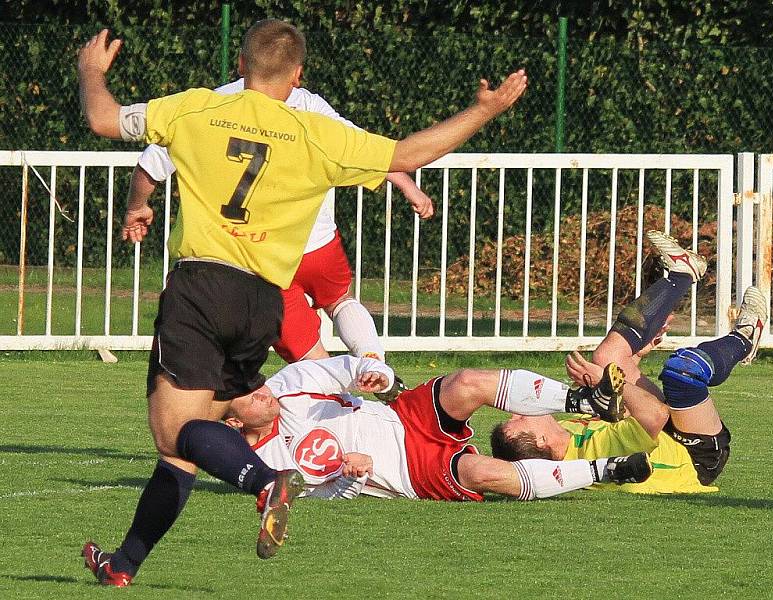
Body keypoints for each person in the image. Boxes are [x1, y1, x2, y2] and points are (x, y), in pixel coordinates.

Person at [77, 20, 527, 586]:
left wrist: (91, 71)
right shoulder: (315, 133)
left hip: (201, 287)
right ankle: (122, 565)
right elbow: (411, 151)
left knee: (176, 434)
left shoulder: (193, 109)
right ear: (297, 76)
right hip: (262, 302)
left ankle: (266, 481)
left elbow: (102, 116)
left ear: (240, 65)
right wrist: (484, 110)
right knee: (191, 445)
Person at [128, 79, 436, 364]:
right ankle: (373, 362)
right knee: (340, 300)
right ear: (296, 73)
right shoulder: (310, 106)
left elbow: (151, 164)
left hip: (259, 256)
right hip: (317, 244)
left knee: (306, 355)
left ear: (243, 64)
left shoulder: (212, 105)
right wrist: (407, 185)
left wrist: (136, 207)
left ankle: (332, 390)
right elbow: (361, 148)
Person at [490, 230, 768, 494]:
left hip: (656, 430)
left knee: (606, 357)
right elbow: (655, 414)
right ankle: (745, 337)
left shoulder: (567, 432)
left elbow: (622, 413)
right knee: (683, 372)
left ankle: (683, 272)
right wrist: (608, 379)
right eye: (517, 420)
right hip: (693, 456)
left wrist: (630, 360)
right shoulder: (594, 452)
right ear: (541, 441)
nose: (516, 411)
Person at [223, 354, 652, 503]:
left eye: (258, 386)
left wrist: (380, 377)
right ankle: (607, 469)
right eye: (252, 396)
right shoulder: (262, 466)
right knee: (482, 474)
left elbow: (347, 369)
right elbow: (323, 494)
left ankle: (584, 400)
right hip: (409, 470)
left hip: (400, 416)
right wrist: (355, 476)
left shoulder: (289, 386)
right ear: (235, 421)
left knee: (466, 382)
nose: (264, 391)